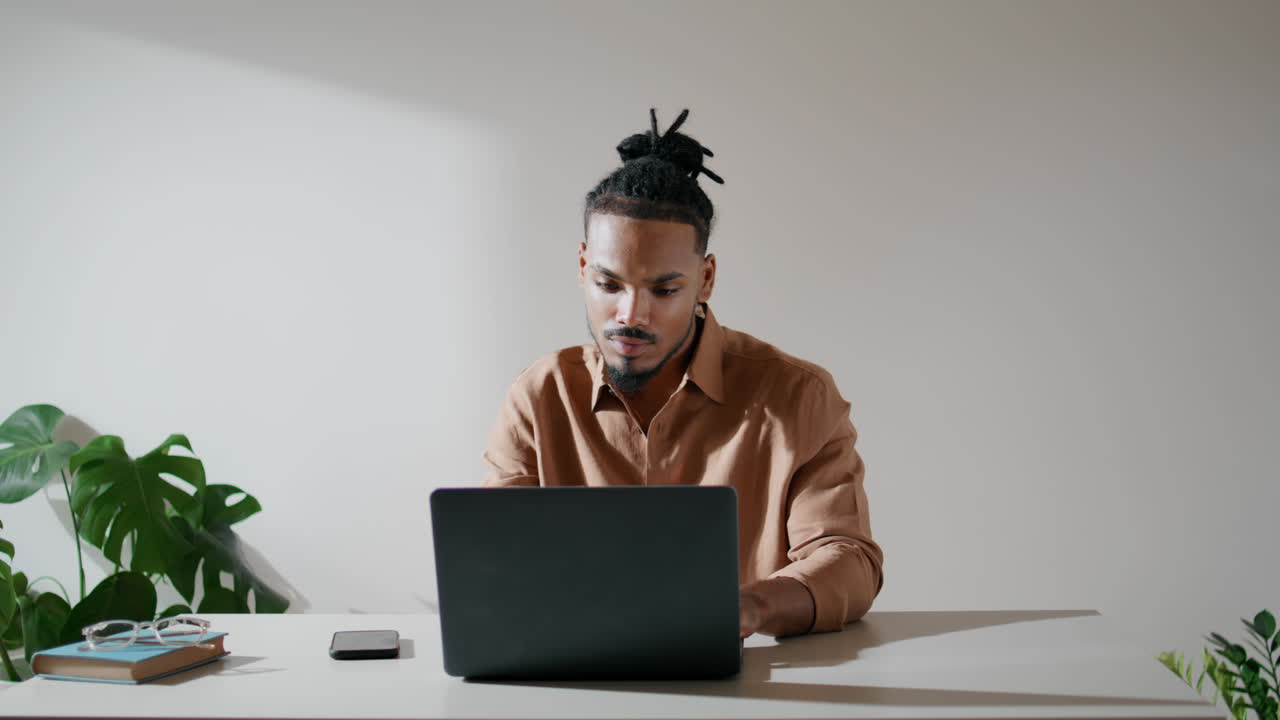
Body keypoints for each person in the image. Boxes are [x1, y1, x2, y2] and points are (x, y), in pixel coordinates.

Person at [482, 109, 883, 638]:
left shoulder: (797, 396)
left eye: (664, 290)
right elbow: (491, 561)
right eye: (608, 284)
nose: (630, 315)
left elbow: (848, 558)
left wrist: (749, 607)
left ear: (706, 279)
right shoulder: (539, 395)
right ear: (583, 267)